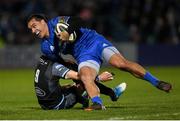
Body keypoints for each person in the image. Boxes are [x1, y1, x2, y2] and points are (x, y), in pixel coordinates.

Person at [27, 14, 172, 110]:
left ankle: (157, 82)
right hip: (83, 55)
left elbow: (79, 20)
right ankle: (98, 103)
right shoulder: (46, 47)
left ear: (43, 21)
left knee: (121, 64)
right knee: (85, 76)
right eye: (30, 29)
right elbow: (61, 63)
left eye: (34, 26)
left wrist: (68, 31)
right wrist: (78, 74)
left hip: (94, 41)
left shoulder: (56, 22)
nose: (33, 31)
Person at [34, 55, 126, 110]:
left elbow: (46, 84)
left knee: (73, 80)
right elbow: (80, 77)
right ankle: (109, 93)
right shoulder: (56, 67)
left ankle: (110, 93)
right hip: (57, 105)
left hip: (44, 103)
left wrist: (63, 87)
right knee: (81, 83)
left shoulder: (42, 61)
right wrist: (99, 78)